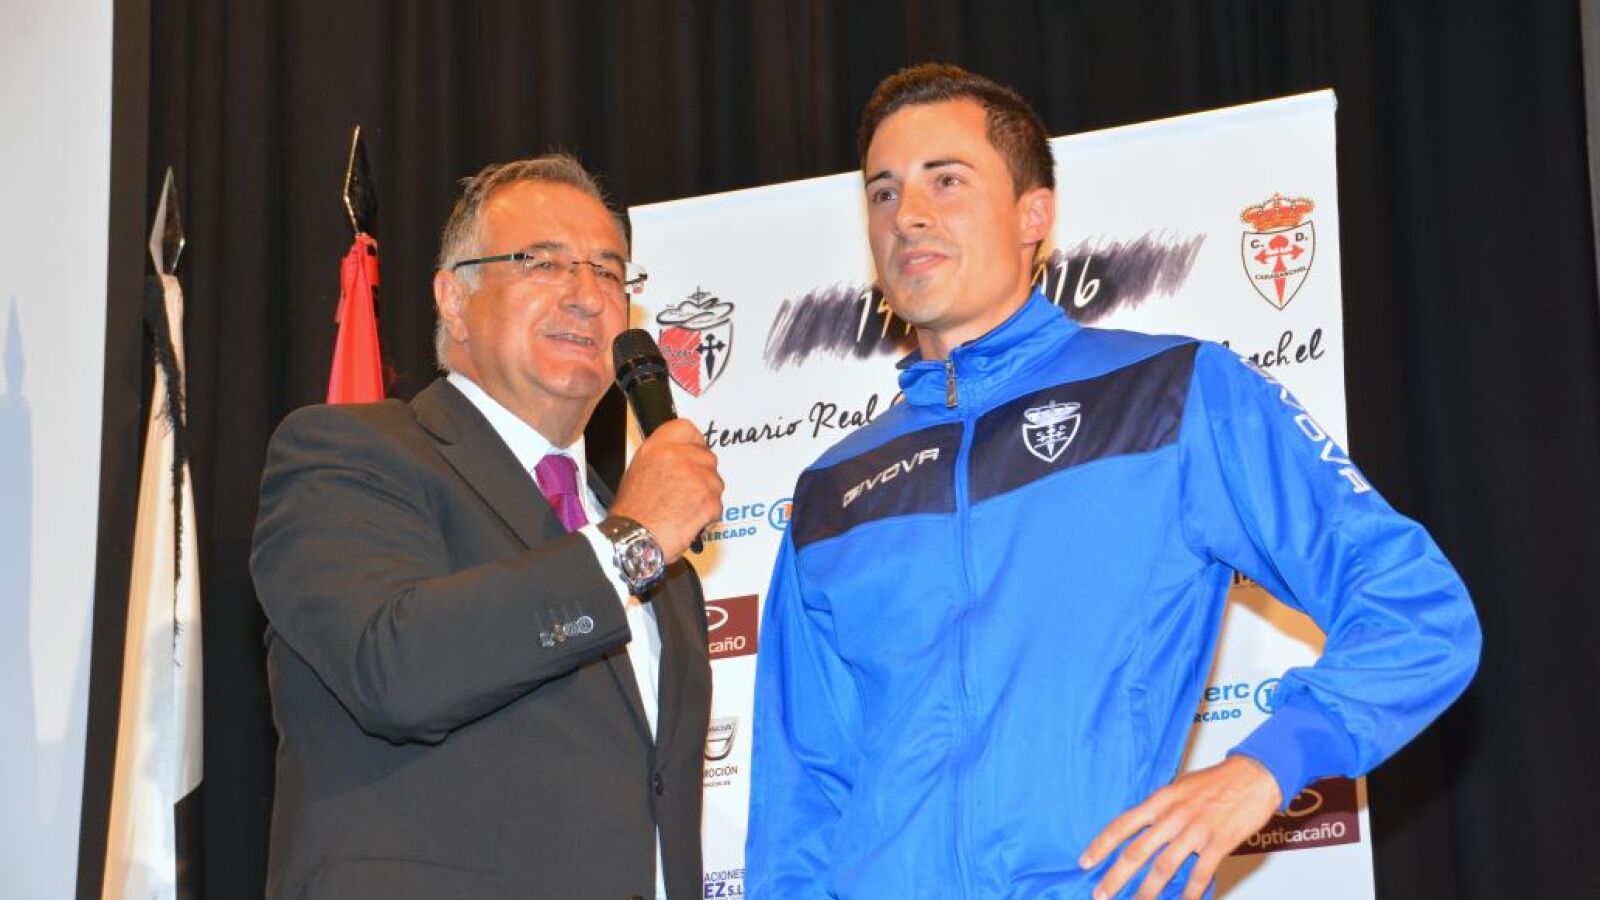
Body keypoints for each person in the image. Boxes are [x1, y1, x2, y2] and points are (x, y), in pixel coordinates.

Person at [745, 64, 1481, 900]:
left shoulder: (1173, 395)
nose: (907, 214)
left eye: (945, 180)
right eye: (883, 192)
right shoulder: (834, 489)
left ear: (1034, 215)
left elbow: (1417, 611)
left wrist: (1265, 768)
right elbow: (800, 806)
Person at [252, 155, 723, 900]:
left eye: (609, 272)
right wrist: (628, 543)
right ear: (454, 298)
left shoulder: (665, 571)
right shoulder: (348, 456)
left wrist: (632, 539)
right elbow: (394, 669)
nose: (587, 296)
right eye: (542, 263)